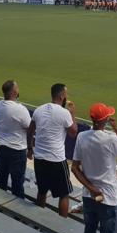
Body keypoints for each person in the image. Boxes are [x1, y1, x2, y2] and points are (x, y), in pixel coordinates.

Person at [71, 103, 117, 233]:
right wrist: (116, 129)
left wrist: (91, 189)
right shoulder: (110, 139)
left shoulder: (82, 136)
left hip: (89, 197)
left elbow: (75, 168)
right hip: (108, 198)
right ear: (105, 119)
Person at [27, 83, 77, 217]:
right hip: (56, 160)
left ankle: (38, 221)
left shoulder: (39, 109)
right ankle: (61, 227)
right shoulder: (65, 113)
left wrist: (30, 148)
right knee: (64, 194)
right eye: (66, 94)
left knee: (42, 191)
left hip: (40, 159)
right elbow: (73, 133)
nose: (67, 97)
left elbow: (30, 131)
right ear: (61, 96)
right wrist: (72, 114)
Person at [0, 80, 31, 198]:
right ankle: (18, 214)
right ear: (14, 92)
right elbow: (30, 128)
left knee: (2, 176)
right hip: (16, 150)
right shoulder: (20, 109)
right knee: (17, 181)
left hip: (1, 147)